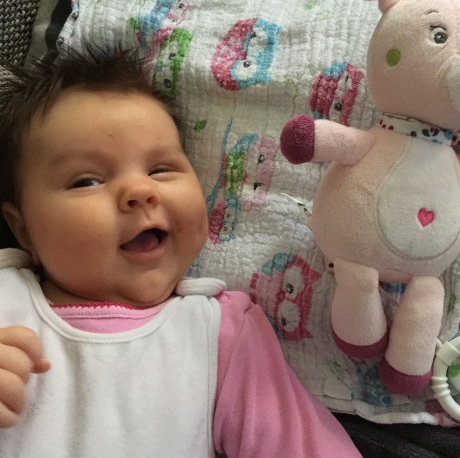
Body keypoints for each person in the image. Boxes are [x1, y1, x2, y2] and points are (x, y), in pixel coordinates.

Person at [0, 46, 362, 457]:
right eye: (87, 181)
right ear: (23, 228)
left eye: (160, 169)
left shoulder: (219, 335)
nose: (140, 190)